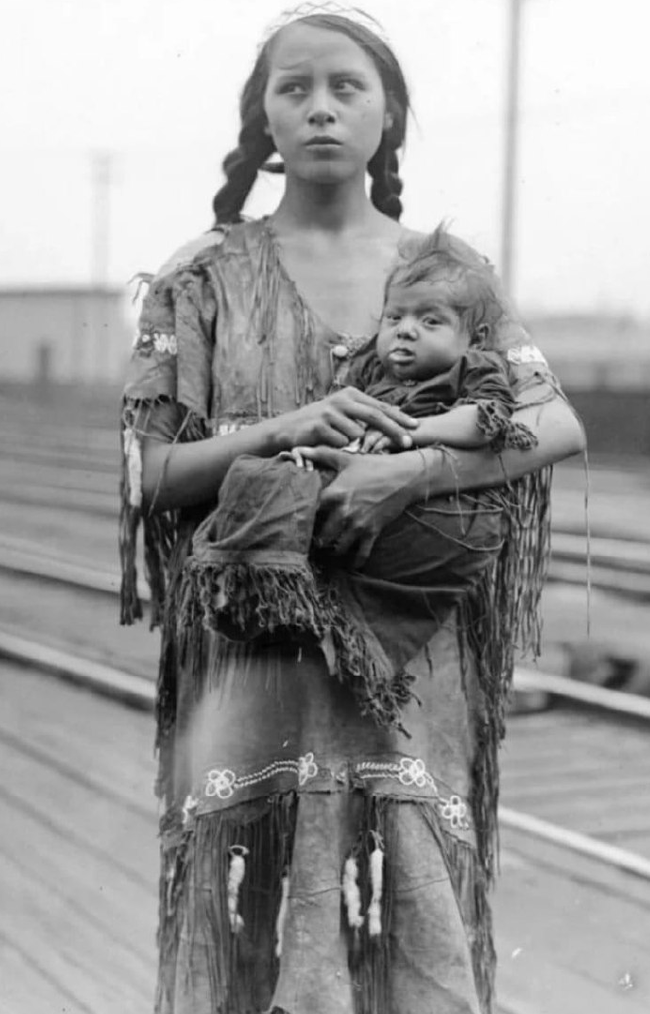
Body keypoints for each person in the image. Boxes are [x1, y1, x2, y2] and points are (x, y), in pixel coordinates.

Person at [118, 2, 585, 1014]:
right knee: (245, 903)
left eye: (347, 87)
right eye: (295, 87)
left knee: (412, 899)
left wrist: (414, 469)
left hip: (409, 664)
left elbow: (551, 420)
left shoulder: (445, 274)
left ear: (390, 116)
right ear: (263, 117)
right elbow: (149, 469)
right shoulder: (204, 275)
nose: (321, 106)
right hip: (251, 656)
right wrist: (280, 430)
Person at [180, 224, 541, 735]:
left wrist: (410, 434)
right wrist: (311, 451)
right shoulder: (373, 374)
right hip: (362, 482)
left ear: (471, 339)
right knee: (257, 475)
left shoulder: (474, 370)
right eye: (395, 317)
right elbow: (346, 433)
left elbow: (485, 421)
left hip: (434, 505)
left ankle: (306, 607)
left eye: (430, 320)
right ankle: (262, 588)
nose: (406, 330)